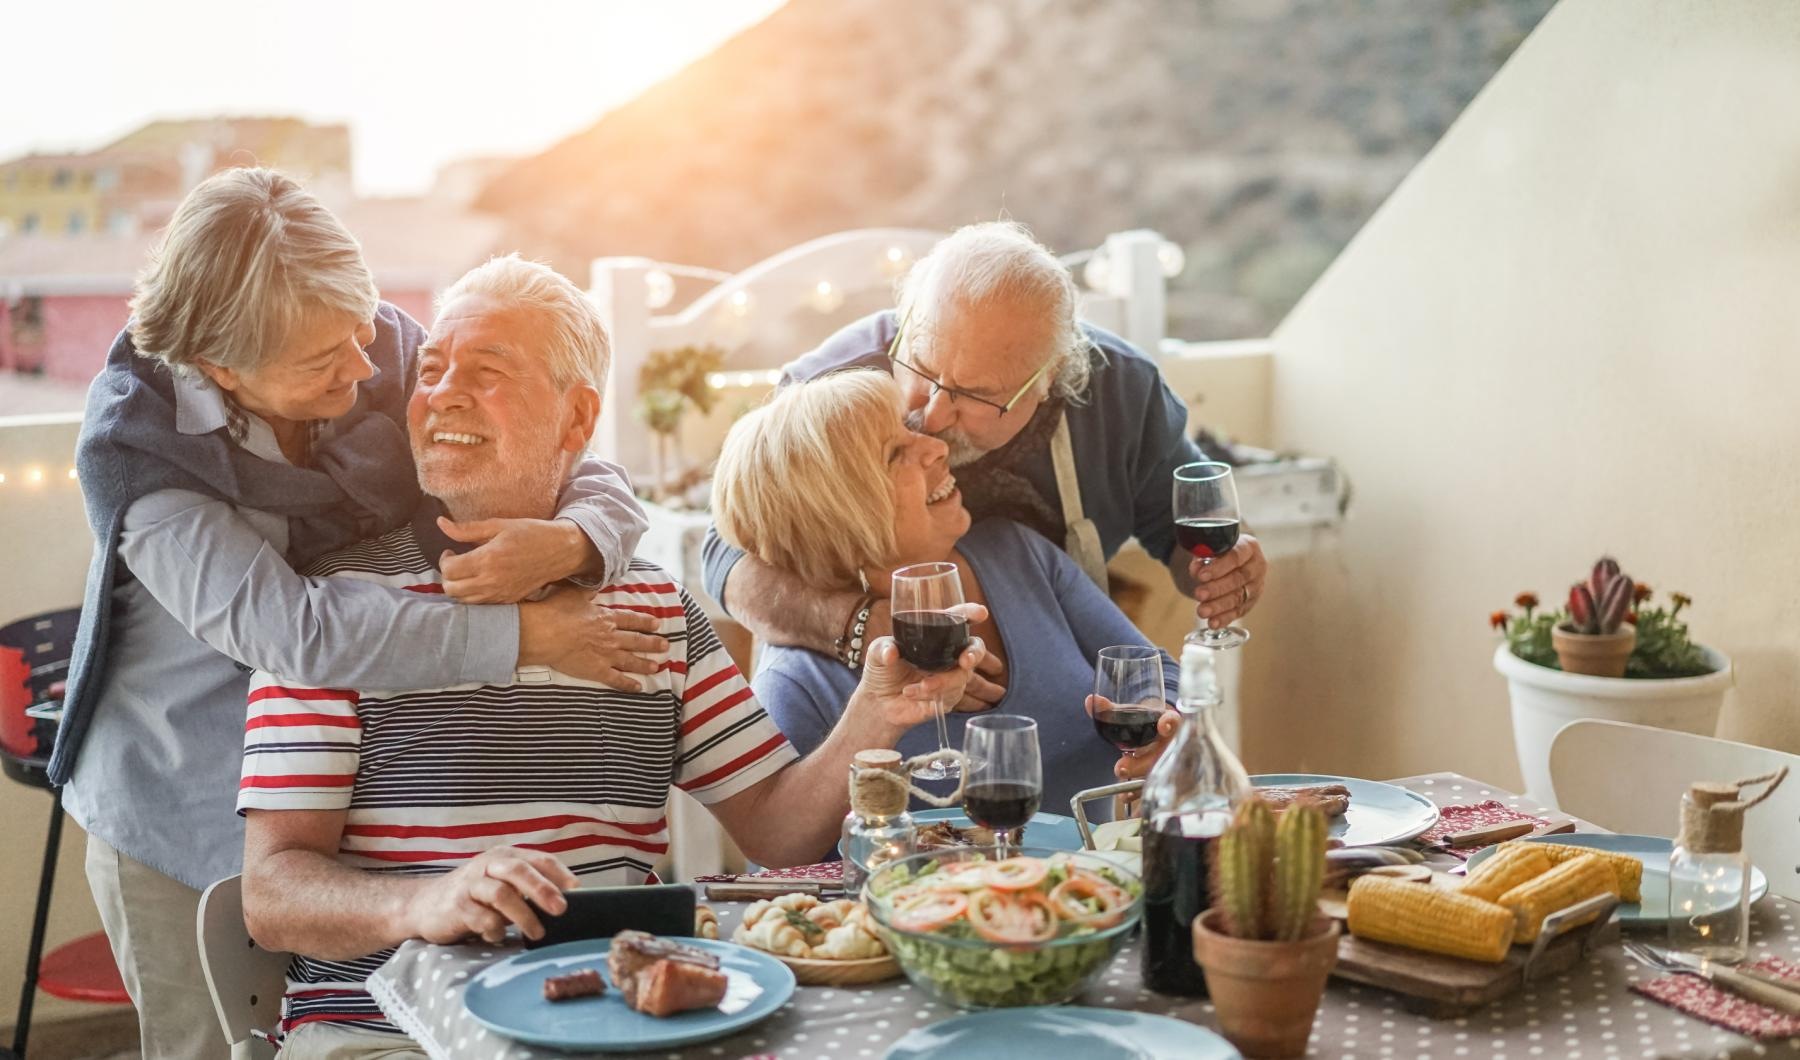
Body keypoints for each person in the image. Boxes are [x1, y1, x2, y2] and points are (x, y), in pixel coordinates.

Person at [237, 255, 981, 1059]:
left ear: (575, 419)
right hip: (386, 1031)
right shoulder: (330, 610)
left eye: (485, 372)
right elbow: (272, 892)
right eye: (431, 370)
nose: (442, 392)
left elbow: (776, 829)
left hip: (620, 1017)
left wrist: (877, 706)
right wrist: (423, 903)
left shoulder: (655, 605)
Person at [52, 169, 661, 1059]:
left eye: (362, 329)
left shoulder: (363, 341)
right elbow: (296, 635)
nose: (368, 368)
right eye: (322, 361)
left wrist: (575, 542)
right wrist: (527, 637)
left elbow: (566, 448)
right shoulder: (136, 450)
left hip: (332, 788)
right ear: (221, 365)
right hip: (176, 786)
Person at [701, 220, 1268, 709]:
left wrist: (1221, 575)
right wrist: (861, 627)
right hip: (858, 691)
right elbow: (726, 554)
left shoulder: (1122, 391)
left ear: (1051, 377)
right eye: (920, 366)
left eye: (976, 395)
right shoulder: (828, 391)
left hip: (1053, 693)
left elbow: (1183, 531)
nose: (934, 415)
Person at [712, 369, 1180, 822]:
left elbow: (1153, 676)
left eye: (910, 429)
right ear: (839, 514)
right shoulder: (797, 679)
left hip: (1085, 895)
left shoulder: (1019, 555)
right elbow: (781, 870)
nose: (938, 447)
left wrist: (1166, 731)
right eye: (897, 453)